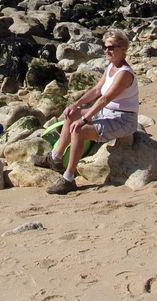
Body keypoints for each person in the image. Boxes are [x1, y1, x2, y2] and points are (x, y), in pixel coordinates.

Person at [44, 29, 139, 195]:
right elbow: (97, 90)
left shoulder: (124, 73)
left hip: (123, 119)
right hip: (108, 112)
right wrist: (77, 104)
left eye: (111, 47)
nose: (106, 50)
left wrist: (85, 119)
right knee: (71, 114)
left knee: (79, 129)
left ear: (123, 48)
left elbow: (104, 99)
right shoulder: (111, 66)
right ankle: (56, 158)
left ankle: (68, 179)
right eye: (104, 47)